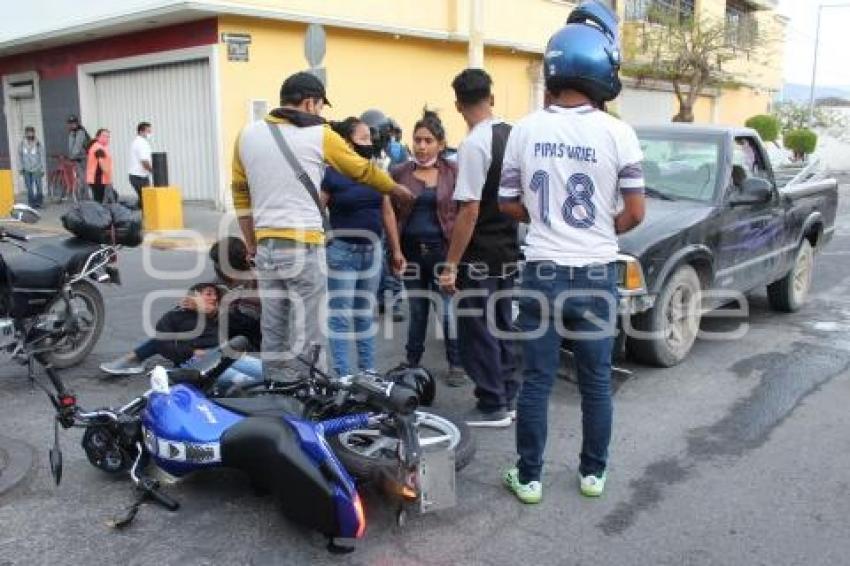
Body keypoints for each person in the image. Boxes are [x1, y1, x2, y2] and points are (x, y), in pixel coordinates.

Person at [497, 1, 646, 504]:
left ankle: (530, 477)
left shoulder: (524, 129)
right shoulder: (618, 133)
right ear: (603, 67)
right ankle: (592, 474)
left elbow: (506, 203)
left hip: (540, 270)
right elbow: (636, 212)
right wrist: (602, 230)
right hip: (596, 273)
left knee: (536, 381)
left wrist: (543, 220)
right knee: (596, 382)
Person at [231, 71, 413, 384]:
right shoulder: (319, 134)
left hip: (266, 247)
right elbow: (359, 169)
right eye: (320, 107)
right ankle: (307, 390)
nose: (321, 113)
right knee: (309, 328)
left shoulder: (246, 135)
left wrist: (251, 242)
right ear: (309, 102)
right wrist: (395, 189)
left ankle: (275, 387)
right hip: (302, 245)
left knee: (273, 323)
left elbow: (240, 192)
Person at [440, 68, 520, 428]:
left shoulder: (473, 144)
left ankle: (492, 403)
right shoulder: (514, 134)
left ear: (458, 105)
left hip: (481, 251)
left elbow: (468, 210)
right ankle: (508, 393)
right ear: (492, 97)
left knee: (478, 325)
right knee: (503, 322)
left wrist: (451, 264)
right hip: (507, 245)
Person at [323, 117, 405, 377]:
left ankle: (368, 373)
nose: (369, 144)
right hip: (342, 253)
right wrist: (326, 237)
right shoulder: (331, 173)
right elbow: (316, 208)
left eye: (371, 138)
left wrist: (396, 250)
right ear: (347, 143)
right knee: (341, 317)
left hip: (373, 252)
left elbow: (388, 213)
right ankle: (343, 377)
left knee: (365, 315)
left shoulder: (374, 170)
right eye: (363, 139)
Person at [391, 110, 466, 385]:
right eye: (418, 140)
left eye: (428, 140)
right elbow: (389, 212)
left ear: (441, 144)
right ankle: (412, 362)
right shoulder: (400, 172)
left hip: (442, 253)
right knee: (418, 310)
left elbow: (464, 213)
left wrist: (457, 259)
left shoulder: (454, 172)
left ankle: (456, 363)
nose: (422, 146)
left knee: (446, 310)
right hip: (411, 253)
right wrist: (395, 249)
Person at [100, 282, 263, 394]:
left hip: (238, 352)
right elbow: (167, 336)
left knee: (257, 374)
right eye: (208, 295)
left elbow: (247, 326)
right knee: (243, 382)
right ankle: (134, 358)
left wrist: (214, 313)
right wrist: (192, 351)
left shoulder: (233, 307)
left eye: (215, 297)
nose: (213, 299)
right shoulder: (184, 313)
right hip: (207, 361)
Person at [129, 121, 153, 210]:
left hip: (139, 176)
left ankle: (141, 220)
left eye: (150, 131)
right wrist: (154, 171)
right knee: (146, 201)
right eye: (148, 131)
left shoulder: (139, 142)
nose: (150, 134)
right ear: (141, 132)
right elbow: (144, 161)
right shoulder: (141, 143)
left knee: (143, 200)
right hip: (139, 177)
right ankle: (145, 221)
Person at [18, 126, 44, 208]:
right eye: (28, 133)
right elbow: (20, 156)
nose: (30, 134)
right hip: (26, 168)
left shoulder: (38, 143)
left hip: (36, 168)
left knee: (39, 186)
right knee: (29, 187)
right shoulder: (22, 143)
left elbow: (42, 156)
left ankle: (39, 202)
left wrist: (42, 168)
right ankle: (32, 203)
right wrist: (21, 167)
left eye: (31, 132)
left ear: (34, 133)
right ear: (25, 134)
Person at [86, 128, 113, 203]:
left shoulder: (100, 147)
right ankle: (97, 214)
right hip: (98, 179)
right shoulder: (98, 148)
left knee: (98, 200)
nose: (107, 138)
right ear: (97, 137)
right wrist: (109, 178)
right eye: (104, 136)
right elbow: (102, 165)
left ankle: (98, 213)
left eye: (108, 136)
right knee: (98, 200)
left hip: (96, 178)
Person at [66, 115, 89, 200]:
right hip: (77, 159)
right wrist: (71, 156)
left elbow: (77, 146)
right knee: (80, 178)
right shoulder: (72, 133)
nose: (72, 125)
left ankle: (86, 198)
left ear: (77, 123)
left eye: (73, 123)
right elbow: (71, 146)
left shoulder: (80, 132)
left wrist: (72, 156)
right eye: (70, 123)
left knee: (84, 179)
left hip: (83, 158)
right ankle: (82, 197)